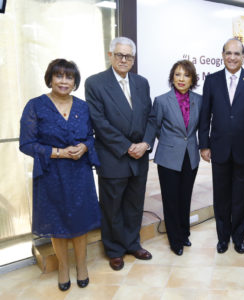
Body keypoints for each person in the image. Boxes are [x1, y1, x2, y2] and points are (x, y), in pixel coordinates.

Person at [19, 59, 101, 291]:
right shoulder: (35, 106)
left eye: (69, 77)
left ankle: (82, 266)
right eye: (59, 76)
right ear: (50, 78)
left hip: (79, 173)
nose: (64, 81)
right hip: (50, 174)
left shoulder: (83, 107)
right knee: (58, 223)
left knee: (81, 221)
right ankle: (64, 267)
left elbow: (92, 136)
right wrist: (57, 152)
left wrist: (85, 147)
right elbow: (26, 144)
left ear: (75, 82)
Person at [85, 37, 153, 271]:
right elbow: (99, 122)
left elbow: (150, 117)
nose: (124, 60)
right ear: (110, 55)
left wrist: (145, 143)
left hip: (140, 156)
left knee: (134, 205)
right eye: (120, 55)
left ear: (133, 59)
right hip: (113, 156)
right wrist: (126, 146)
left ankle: (133, 244)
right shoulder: (95, 83)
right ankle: (114, 250)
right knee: (112, 206)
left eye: (129, 56)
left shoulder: (142, 83)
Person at [199, 38, 244, 254]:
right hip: (219, 149)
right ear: (222, 55)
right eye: (228, 53)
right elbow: (204, 116)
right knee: (221, 197)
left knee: (241, 196)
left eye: (237, 53)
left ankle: (238, 237)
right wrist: (204, 144)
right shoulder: (212, 80)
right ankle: (222, 238)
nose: (232, 57)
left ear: (243, 57)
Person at [149, 60, 202, 256]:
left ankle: (184, 232)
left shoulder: (200, 99)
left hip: (191, 156)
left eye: (186, 75)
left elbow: (199, 128)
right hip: (169, 156)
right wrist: (171, 143)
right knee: (171, 199)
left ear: (192, 79)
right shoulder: (162, 100)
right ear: (172, 77)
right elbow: (155, 128)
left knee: (185, 197)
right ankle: (174, 239)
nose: (181, 79)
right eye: (177, 74)